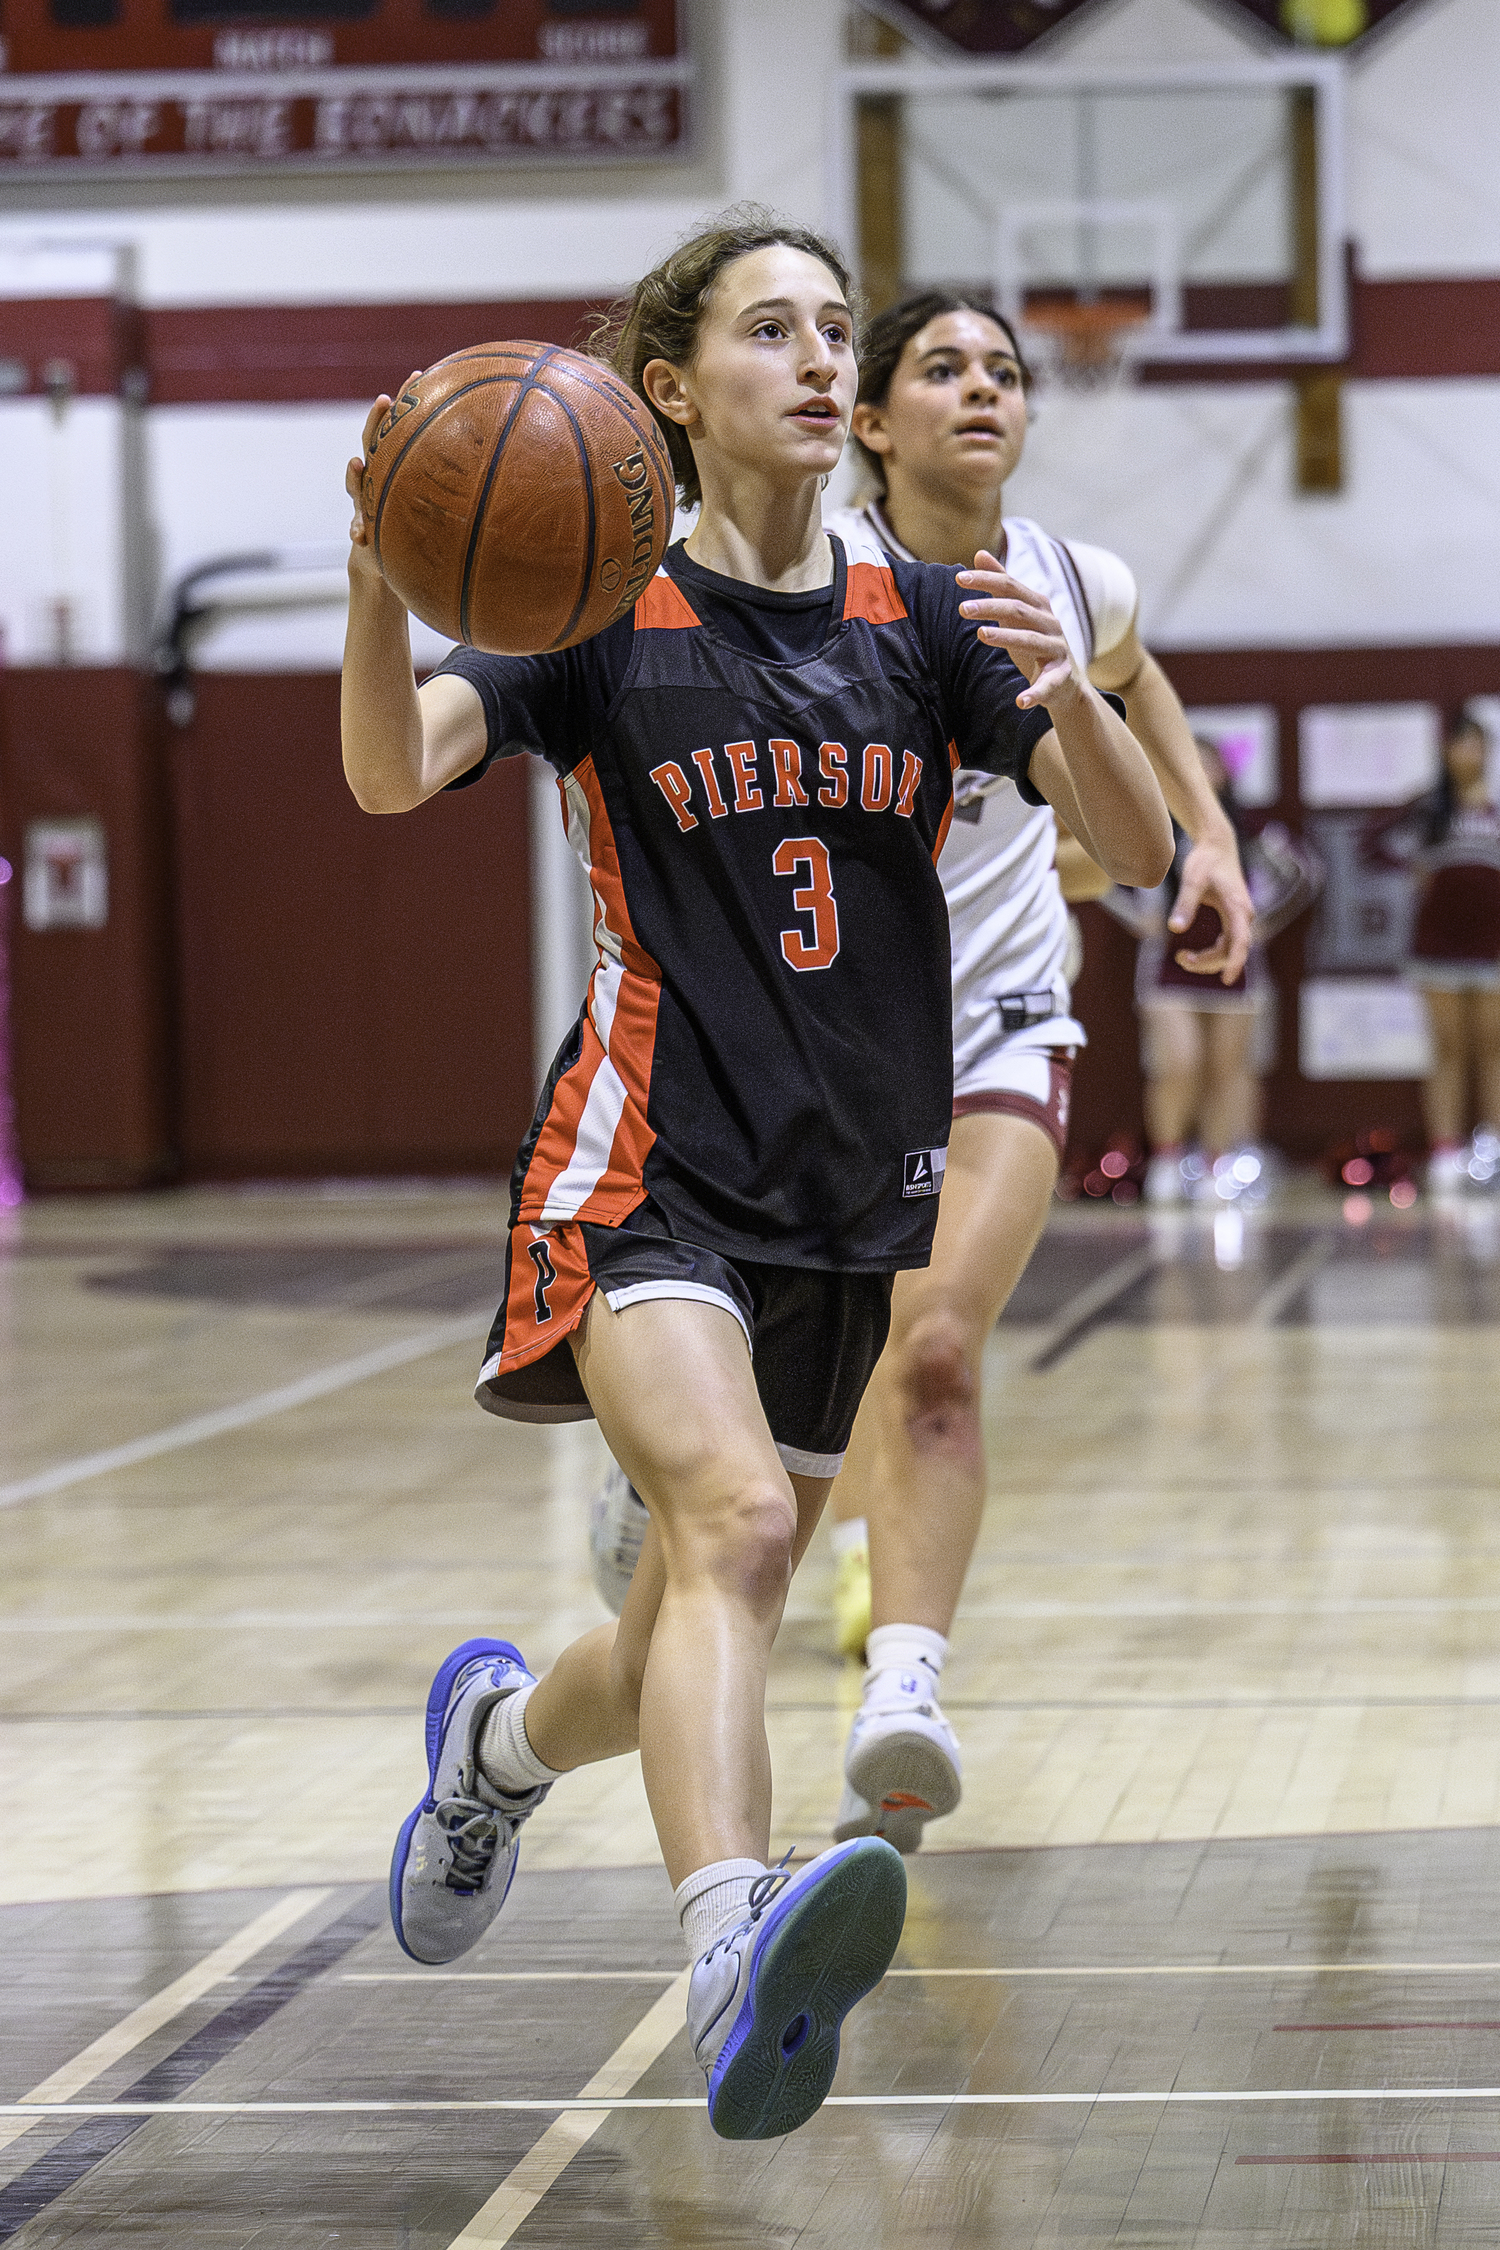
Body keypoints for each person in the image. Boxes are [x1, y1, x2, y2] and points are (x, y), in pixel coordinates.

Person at [341, 213, 1172, 2139]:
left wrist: (1075, 697)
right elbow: (391, 775)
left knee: (670, 1640)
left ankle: (493, 1745)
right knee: (725, 1521)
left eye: (829, 329)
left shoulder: (934, 625)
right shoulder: (588, 619)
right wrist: (381, 579)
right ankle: (732, 1955)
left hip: (847, 1191)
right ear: (668, 391)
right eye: (771, 332)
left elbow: (1117, 856)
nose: (820, 362)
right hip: (645, 1163)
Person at [1366, 709, 1500, 1195]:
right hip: (1439, 945)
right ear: (1445, 752)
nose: (1469, 753)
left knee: (1492, 1048)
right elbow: (1370, 842)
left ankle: (1490, 1149)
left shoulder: (1495, 810)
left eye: (1478, 744)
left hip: (1493, 945)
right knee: (1447, 1049)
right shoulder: (1428, 811)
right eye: (1460, 744)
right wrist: (1412, 864)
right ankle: (1445, 1150)